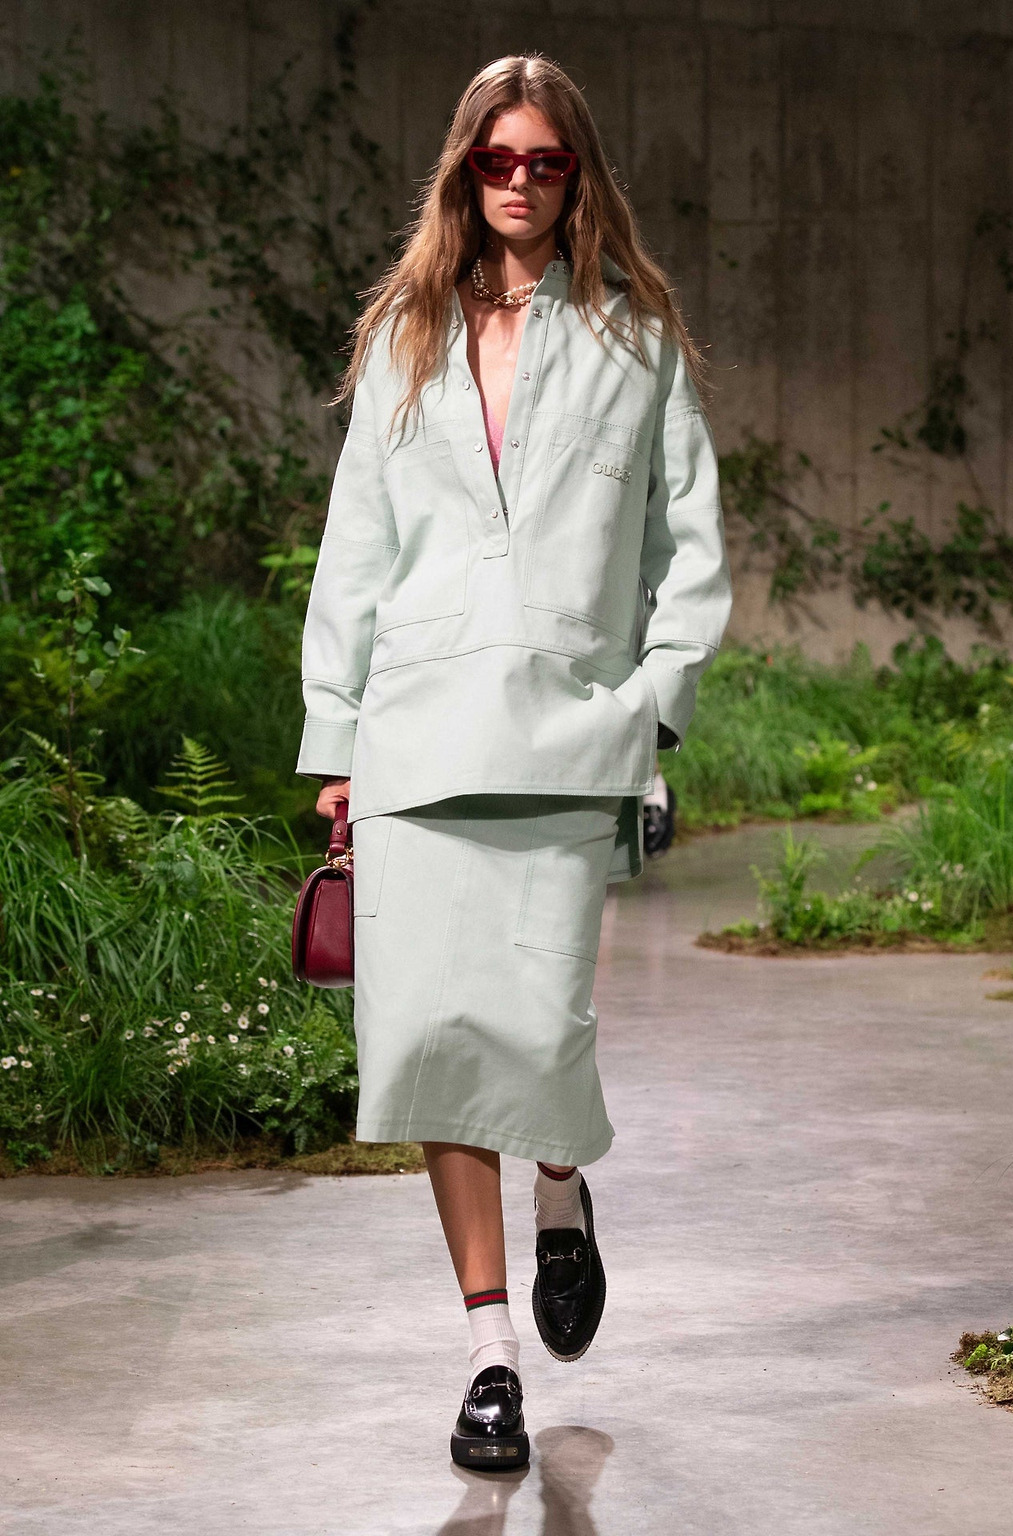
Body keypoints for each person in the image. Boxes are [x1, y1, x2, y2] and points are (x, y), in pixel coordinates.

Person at [296, 53, 732, 1470]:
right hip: (415, 732)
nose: (522, 182)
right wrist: (335, 735)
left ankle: (561, 1190)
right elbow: (357, 545)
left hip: (568, 730)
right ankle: (491, 1362)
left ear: (578, 173)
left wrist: (652, 707)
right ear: (465, 170)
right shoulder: (406, 334)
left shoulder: (636, 341)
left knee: (540, 1034)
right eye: (499, 159)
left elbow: (687, 546)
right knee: (435, 1043)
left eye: (547, 160)